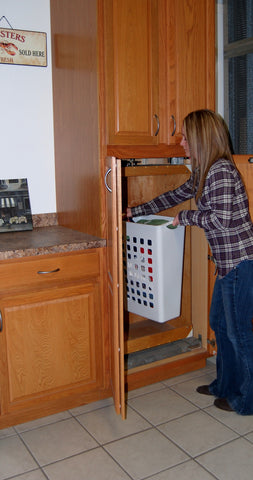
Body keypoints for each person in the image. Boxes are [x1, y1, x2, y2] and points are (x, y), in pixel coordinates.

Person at [127, 109, 253, 415]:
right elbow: (174, 195)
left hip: (240, 263)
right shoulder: (203, 171)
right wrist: (136, 211)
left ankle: (247, 399)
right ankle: (225, 384)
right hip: (228, 265)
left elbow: (221, 221)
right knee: (220, 325)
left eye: (184, 136)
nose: (180, 141)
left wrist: (184, 218)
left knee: (238, 333)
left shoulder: (221, 171)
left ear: (200, 138)